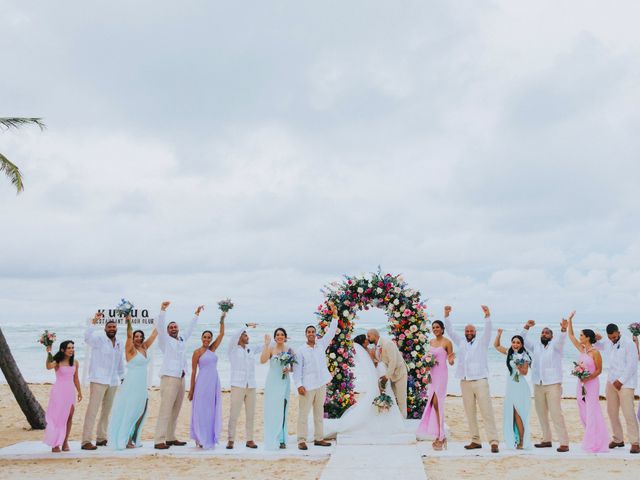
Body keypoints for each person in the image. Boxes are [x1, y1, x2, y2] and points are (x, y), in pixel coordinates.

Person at [322, 334, 407, 439]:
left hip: (380, 373)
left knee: (379, 396)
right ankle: (389, 420)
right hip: (381, 373)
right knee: (386, 394)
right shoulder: (370, 351)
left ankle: (383, 417)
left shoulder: (366, 351)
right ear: (364, 342)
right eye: (366, 339)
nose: (368, 339)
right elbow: (375, 363)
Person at [444, 305, 499, 452]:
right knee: (470, 412)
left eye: (471, 331)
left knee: (487, 411)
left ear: (475, 332)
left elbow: (488, 331)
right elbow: (450, 331)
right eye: (467, 331)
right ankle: (475, 440)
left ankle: (493, 441)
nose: (469, 333)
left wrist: (487, 316)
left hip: (480, 380)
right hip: (465, 381)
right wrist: (447, 315)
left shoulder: (482, 342)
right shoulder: (461, 342)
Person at [154, 301, 201, 449]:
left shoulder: (181, 339)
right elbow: (160, 327)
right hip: (169, 377)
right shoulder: (164, 340)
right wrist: (162, 310)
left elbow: (190, 330)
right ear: (167, 330)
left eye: (175, 327)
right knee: (165, 409)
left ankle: (170, 437)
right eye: (171, 327)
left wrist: (196, 315)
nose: (174, 329)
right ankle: (158, 440)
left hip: (181, 377)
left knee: (176, 409)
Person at [293, 302, 339, 450]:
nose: (311, 334)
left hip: (321, 384)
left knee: (319, 414)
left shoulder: (321, 344)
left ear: (316, 333)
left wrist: (335, 315)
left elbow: (331, 332)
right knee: (303, 414)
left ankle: (319, 438)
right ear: (306, 335)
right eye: (309, 332)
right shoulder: (301, 350)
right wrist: (299, 385)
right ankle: (301, 440)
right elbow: (297, 369)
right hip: (307, 386)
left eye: (313, 331)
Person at [108, 315, 158, 449]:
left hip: (141, 384)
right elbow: (129, 336)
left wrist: (162, 312)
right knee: (129, 410)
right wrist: (129, 321)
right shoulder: (130, 349)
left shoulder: (145, 348)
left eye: (141, 336)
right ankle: (124, 440)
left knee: (140, 410)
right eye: (137, 336)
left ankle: (132, 438)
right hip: (131, 383)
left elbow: (155, 334)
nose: (139, 338)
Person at [521, 317, 570, 452]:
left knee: (556, 413)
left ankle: (564, 443)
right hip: (538, 384)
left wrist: (563, 329)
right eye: (542, 333)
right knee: (541, 413)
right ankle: (546, 440)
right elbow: (522, 340)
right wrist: (526, 327)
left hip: (553, 384)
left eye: (547, 333)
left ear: (551, 336)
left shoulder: (556, 346)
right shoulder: (536, 346)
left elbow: (561, 340)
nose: (544, 335)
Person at [566, 312, 609, 453]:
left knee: (592, 410)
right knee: (582, 408)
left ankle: (595, 442)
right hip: (581, 384)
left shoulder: (595, 352)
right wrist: (570, 320)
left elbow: (599, 370)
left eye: (582, 336)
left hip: (591, 384)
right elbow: (571, 336)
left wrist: (587, 378)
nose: (580, 337)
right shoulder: (582, 349)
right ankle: (589, 435)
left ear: (588, 338)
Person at [81, 312, 124, 450]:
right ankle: (86, 440)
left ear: (116, 328)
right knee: (92, 411)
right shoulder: (99, 339)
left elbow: (119, 361)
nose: (112, 328)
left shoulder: (119, 342)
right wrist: (93, 322)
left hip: (112, 381)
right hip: (98, 379)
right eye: (109, 326)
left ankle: (101, 438)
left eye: (114, 327)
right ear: (105, 328)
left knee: (106, 411)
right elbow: (87, 338)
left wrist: (122, 376)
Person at [597, 323, 639, 454]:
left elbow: (632, 365)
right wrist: (596, 338)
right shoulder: (609, 342)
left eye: (614, 337)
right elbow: (599, 345)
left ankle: (635, 442)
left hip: (625, 384)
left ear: (618, 332)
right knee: (612, 412)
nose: (612, 339)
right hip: (611, 382)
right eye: (610, 337)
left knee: (628, 413)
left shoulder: (629, 343)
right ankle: (618, 439)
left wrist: (620, 381)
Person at [189, 311, 226, 449]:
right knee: (200, 410)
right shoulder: (197, 352)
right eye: (205, 337)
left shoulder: (213, 348)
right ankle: (199, 437)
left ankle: (209, 436)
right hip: (202, 384)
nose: (207, 339)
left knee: (211, 410)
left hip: (214, 383)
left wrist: (222, 318)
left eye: (209, 337)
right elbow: (193, 372)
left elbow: (221, 334)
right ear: (201, 338)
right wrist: (191, 389)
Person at [417, 316, 455, 450]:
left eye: (437, 327)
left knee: (437, 403)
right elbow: (428, 360)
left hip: (442, 374)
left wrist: (451, 359)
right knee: (433, 403)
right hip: (432, 375)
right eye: (433, 328)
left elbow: (451, 360)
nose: (435, 329)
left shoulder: (447, 342)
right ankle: (439, 435)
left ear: (442, 329)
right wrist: (426, 372)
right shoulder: (431, 342)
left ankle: (441, 435)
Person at [494, 330, 532, 450]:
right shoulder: (509, 353)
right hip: (510, 385)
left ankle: (522, 441)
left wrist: (519, 364)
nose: (515, 344)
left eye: (518, 343)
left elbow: (525, 372)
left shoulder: (525, 356)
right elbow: (496, 346)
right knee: (511, 414)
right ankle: (515, 439)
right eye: (514, 342)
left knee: (518, 414)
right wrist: (499, 334)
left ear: (522, 345)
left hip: (520, 385)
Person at [226, 323, 262, 450]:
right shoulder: (232, 349)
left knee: (250, 414)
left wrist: (277, 340)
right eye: (245, 334)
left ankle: (250, 439)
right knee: (234, 414)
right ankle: (230, 440)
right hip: (238, 385)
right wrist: (245, 326)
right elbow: (234, 336)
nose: (247, 336)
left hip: (251, 385)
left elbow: (263, 346)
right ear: (240, 337)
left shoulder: (250, 348)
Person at [44, 341, 82, 452]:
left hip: (70, 392)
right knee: (58, 417)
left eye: (72, 347)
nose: (71, 350)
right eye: (69, 348)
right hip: (59, 392)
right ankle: (55, 444)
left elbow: (76, 378)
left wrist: (79, 391)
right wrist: (48, 353)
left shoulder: (75, 362)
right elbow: (48, 366)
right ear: (63, 350)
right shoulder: (57, 362)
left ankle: (65, 442)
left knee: (69, 417)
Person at [261, 327, 295, 450]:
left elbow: (294, 367)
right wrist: (266, 345)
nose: (280, 336)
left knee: (283, 410)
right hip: (272, 382)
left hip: (284, 382)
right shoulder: (270, 348)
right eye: (278, 334)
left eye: (282, 334)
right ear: (275, 337)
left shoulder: (289, 349)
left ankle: (282, 439)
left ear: (285, 337)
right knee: (272, 410)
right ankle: (272, 437)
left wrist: (289, 369)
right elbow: (262, 360)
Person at [366, 328, 408, 418]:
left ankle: (403, 420)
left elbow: (393, 361)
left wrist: (386, 377)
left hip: (399, 373)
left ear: (375, 335)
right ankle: (396, 419)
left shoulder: (387, 343)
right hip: (389, 376)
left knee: (401, 398)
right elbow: (381, 361)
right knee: (393, 398)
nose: (367, 338)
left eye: (369, 336)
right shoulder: (375, 347)